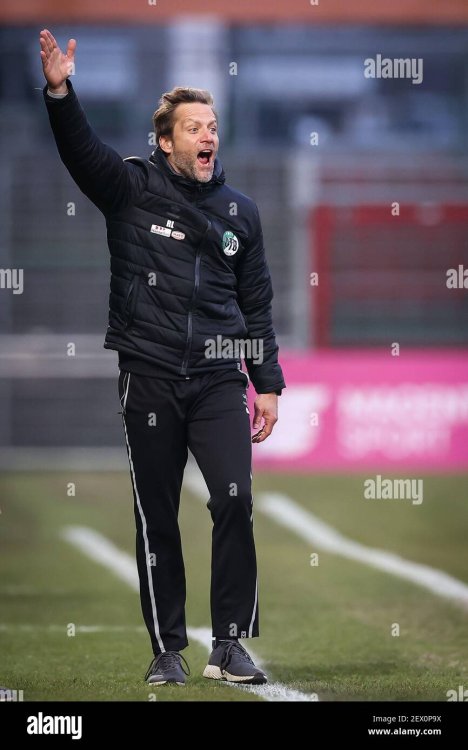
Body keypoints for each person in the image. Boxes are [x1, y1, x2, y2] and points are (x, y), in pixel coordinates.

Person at [40, 28, 286, 687]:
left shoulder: (242, 214)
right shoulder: (128, 188)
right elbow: (80, 152)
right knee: (158, 516)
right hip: (146, 375)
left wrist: (267, 385)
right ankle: (167, 649)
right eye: (194, 127)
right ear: (167, 140)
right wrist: (61, 92)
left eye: (212, 125)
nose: (208, 135)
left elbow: (257, 303)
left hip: (215, 380)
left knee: (234, 498)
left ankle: (229, 646)